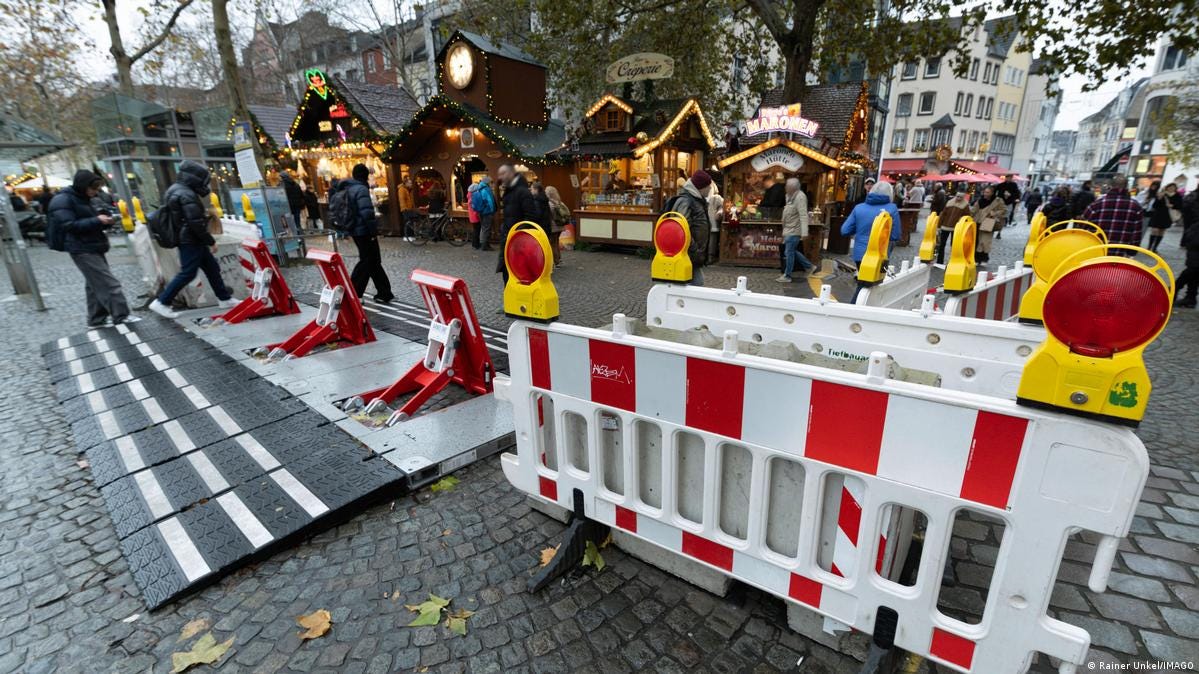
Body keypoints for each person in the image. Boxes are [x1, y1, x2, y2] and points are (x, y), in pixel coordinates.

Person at [148, 161, 236, 318]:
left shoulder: (176, 190)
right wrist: (210, 240)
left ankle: (224, 298)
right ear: (195, 178)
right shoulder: (186, 194)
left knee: (211, 267)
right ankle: (162, 302)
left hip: (190, 239)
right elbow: (195, 222)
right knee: (188, 273)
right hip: (190, 240)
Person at [49, 170, 132, 327]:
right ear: (83, 186)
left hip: (91, 245)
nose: (95, 193)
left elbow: (87, 218)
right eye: (93, 189)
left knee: (95, 284)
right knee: (107, 283)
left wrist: (105, 219)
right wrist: (97, 220)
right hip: (82, 247)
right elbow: (69, 225)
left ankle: (96, 320)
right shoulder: (63, 200)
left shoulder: (83, 198)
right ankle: (121, 316)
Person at [333, 163, 394, 303]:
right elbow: (366, 212)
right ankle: (353, 292)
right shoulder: (361, 189)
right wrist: (373, 231)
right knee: (368, 261)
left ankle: (384, 293)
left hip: (355, 229)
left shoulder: (349, 187)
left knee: (373, 261)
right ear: (366, 175)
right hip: (364, 231)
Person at [666, 170, 713, 286]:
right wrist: (695, 250)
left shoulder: (696, 200)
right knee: (694, 285)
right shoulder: (686, 201)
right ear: (701, 187)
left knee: (695, 285)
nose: (710, 189)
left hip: (691, 256)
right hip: (687, 255)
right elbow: (680, 230)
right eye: (708, 186)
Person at [495, 164, 539, 285]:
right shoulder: (509, 192)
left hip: (518, 243)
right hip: (508, 240)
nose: (500, 177)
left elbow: (531, 218)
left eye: (503, 173)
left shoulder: (523, 192)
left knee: (518, 278)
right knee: (508, 277)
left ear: (511, 173)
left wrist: (517, 235)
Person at [841, 180, 901, 266]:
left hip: (860, 255)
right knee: (877, 279)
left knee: (862, 277)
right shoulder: (892, 208)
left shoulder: (859, 207)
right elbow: (895, 235)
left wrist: (860, 227)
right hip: (880, 254)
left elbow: (845, 230)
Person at [1081, 174, 1143, 255]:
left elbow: (1083, 226)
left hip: (1095, 251)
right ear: (1127, 187)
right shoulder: (1136, 206)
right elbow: (1136, 233)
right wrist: (1132, 252)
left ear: (1111, 186)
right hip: (1119, 253)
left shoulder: (1096, 204)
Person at [776, 178, 814, 282]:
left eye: (787, 186)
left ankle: (787, 275)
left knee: (789, 252)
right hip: (788, 229)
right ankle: (809, 266)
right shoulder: (789, 196)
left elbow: (803, 215)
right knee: (791, 251)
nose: (785, 188)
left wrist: (804, 232)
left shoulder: (800, 197)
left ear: (792, 188)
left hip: (794, 230)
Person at [1174, 189, 1199, 307]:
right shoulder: (1193, 197)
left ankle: (1189, 296)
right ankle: (1181, 291)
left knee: (1195, 270)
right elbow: (1188, 213)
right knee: (1194, 268)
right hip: (1196, 236)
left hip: (1194, 234)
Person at [972, 186, 1007, 263]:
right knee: (977, 240)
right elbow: (974, 210)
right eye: (984, 192)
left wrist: (995, 213)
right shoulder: (980, 200)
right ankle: (976, 257)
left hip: (988, 221)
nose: (985, 194)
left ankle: (983, 258)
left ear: (992, 193)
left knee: (985, 240)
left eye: (987, 192)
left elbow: (1004, 210)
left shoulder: (997, 200)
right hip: (977, 221)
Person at [934, 191, 972, 264]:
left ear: (963, 197)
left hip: (956, 228)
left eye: (960, 197)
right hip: (945, 226)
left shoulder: (965, 205)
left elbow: (967, 216)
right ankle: (939, 261)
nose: (958, 198)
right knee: (942, 244)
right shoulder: (949, 203)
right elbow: (943, 214)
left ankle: (952, 260)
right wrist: (939, 225)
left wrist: (961, 221)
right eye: (957, 196)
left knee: (954, 245)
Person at [1146, 181, 1181, 252]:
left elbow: (1180, 205)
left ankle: (1155, 247)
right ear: (1167, 188)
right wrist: (1159, 198)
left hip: (1167, 215)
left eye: (1173, 188)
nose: (1171, 189)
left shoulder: (1177, 196)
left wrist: (1173, 205)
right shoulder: (1162, 194)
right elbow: (1154, 206)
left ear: (1175, 189)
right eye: (1170, 187)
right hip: (1158, 214)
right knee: (1154, 230)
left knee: (1161, 231)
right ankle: (1149, 246)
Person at [544, 185, 570, 267]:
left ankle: (556, 262)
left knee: (552, 244)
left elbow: (549, 214)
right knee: (556, 242)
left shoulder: (549, 203)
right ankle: (559, 259)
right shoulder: (559, 202)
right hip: (560, 225)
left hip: (553, 226)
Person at [472, 176, 497, 250]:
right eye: (490, 182)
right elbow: (490, 201)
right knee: (487, 229)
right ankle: (485, 246)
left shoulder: (479, 188)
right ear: (487, 182)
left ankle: (484, 244)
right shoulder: (486, 189)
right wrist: (493, 210)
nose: (491, 184)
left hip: (481, 211)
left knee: (484, 228)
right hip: (487, 212)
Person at [706, 182, 723, 264]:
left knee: (712, 240)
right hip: (703, 223)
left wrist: (719, 213)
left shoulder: (716, 198)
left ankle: (710, 257)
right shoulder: (699, 196)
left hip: (712, 221)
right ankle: (704, 256)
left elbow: (722, 206)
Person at [399, 176, 418, 240]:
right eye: (410, 183)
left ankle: (411, 236)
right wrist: (404, 208)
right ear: (406, 183)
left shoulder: (408, 189)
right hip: (405, 209)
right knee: (407, 222)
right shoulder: (402, 189)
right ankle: (407, 236)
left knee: (410, 222)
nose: (411, 184)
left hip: (409, 208)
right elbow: (402, 200)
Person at [466, 182, 482, 248]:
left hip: (472, 216)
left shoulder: (469, 196)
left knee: (475, 230)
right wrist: (477, 214)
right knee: (477, 230)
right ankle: (476, 244)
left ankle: (474, 244)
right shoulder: (473, 196)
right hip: (475, 216)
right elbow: (475, 207)